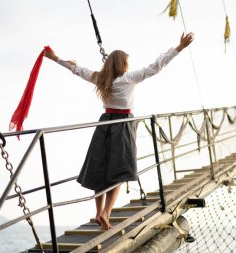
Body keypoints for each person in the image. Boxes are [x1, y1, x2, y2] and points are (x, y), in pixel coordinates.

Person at [44, 32, 194, 230]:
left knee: (100, 168)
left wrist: (55, 58)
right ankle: (106, 213)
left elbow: (76, 69)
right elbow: (156, 66)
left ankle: (98, 213)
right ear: (122, 64)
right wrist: (179, 47)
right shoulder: (129, 78)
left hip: (105, 124)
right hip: (123, 125)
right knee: (120, 172)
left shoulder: (100, 78)